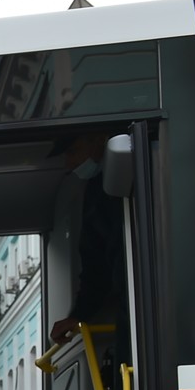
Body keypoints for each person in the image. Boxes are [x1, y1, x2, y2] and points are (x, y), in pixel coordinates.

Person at [48, 133, 129, 347]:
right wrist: (79, 314)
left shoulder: (117, 184)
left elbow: (97, 260)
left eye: (73, 151)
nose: (69, 164)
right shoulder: (97, 190)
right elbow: (95, 260)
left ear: (98, 140)